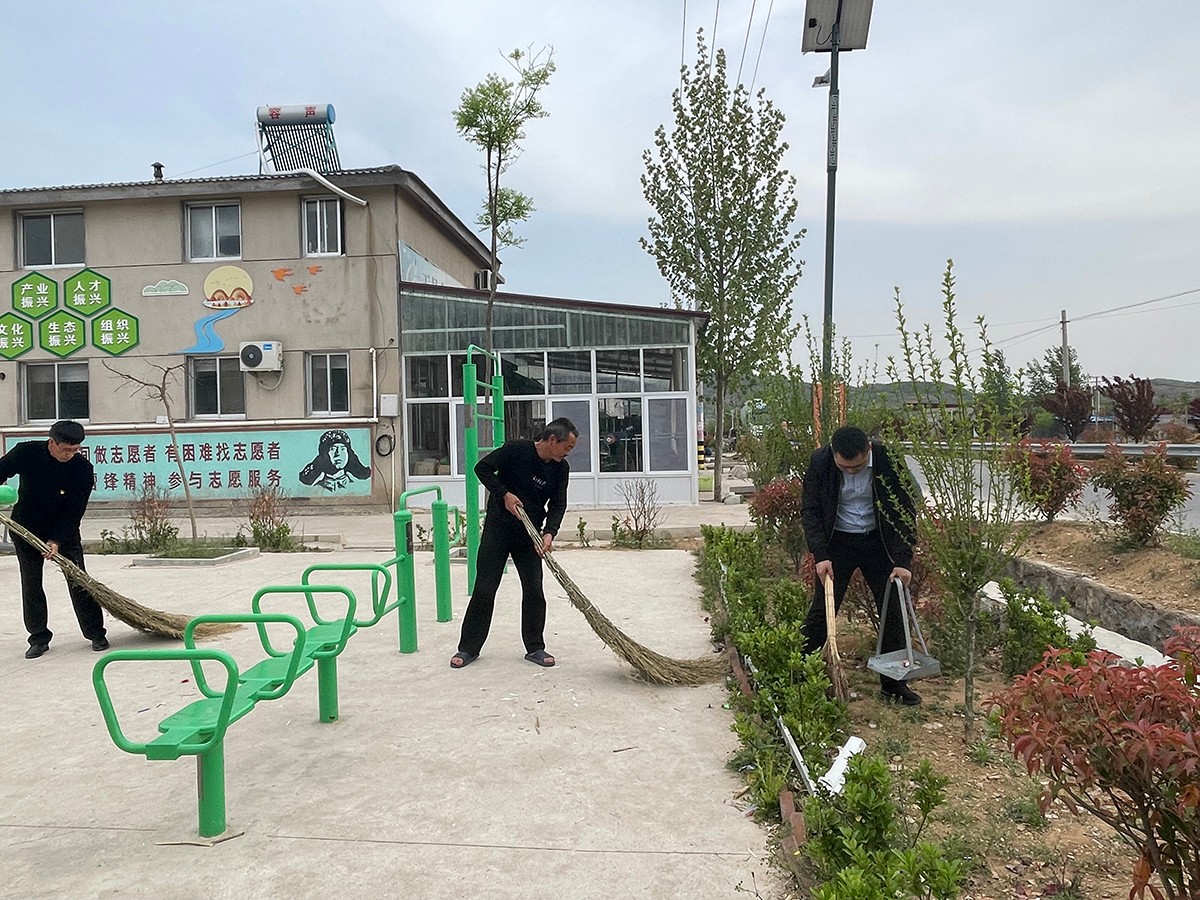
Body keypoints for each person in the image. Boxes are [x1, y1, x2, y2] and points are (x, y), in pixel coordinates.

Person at [800, 425, 921, 705]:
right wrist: (820, 555)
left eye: (856, 467)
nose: (851, 473)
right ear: (833, 453)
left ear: (868, 449)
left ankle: (893, 684)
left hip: (879, 542)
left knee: (893, 612)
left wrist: (903, 560)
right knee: (822, 610)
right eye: (844, 468)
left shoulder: (888, 459)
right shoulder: (820, 461)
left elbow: (905, 508)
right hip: (837, 543)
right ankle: (802, 671)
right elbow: (810, 510)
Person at [451, 418, 578, 670]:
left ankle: (535, 647)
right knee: (485, 589)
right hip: (498, 530)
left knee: (534, 590)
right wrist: (504, 494)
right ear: (553, 440)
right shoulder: (515, 450)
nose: (567, 453)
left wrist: (549, 533)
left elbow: (558, 504)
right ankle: (468, 648)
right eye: (567, 447)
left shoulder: (560, 468)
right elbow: (482, 468)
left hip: (530, 536)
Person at [0, 420, 107, 659]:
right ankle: (38, 638)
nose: (69, 454)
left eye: (75, 449)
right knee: (31, 583)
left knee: (79, 580)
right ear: (52, 442)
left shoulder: (82, 469)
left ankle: (95, 633)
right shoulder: (26, 452)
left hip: (63, 531)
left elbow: (74, 511)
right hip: (26, 528)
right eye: (65, 449)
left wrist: (57, 540)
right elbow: (1, 470)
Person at [299, 429, 371, 491]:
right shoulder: (316, 488)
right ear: (325, 454)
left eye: (342, 449)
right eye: (333, 449)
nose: (338, 454)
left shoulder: (358, 486)